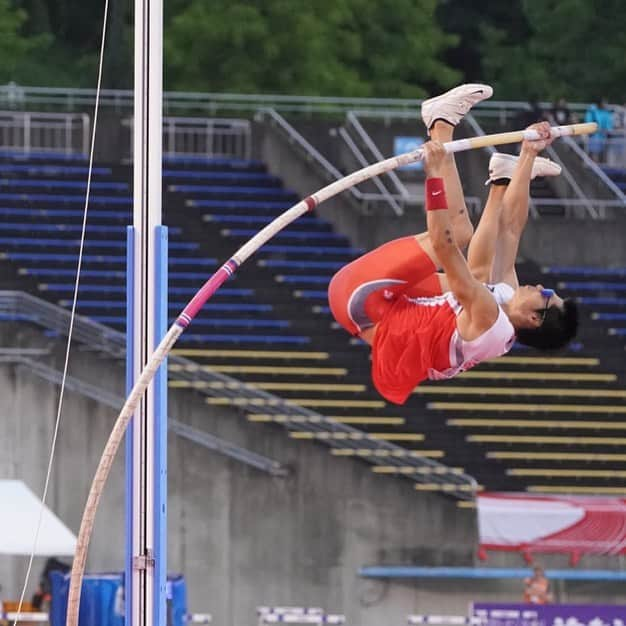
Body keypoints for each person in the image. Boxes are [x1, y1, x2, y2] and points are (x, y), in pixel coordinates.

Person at [328, 84, 578, 405]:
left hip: (359, 301)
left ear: (534, 319)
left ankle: (440, 123)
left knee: (459, 233)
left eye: (545, 295)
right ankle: (501, 180)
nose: (541, 285)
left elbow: (444, 246)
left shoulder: (489, 319)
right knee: (480, 272)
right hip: (396, 306)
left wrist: (432, 176)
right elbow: (511, 230)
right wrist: (528, 154)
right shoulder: (504, 309)